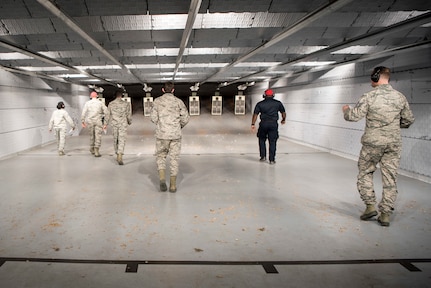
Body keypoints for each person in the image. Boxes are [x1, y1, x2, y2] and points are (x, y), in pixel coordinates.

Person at [342, 66, 415, 227]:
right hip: (393, 143)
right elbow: (408, 119)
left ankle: (370, 206)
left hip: (372, 143)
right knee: (390, 177)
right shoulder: (400, 97)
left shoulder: (369, 96)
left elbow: (354, 117)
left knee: (365, 172)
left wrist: (346, 110)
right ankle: (386, 215)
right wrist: (394, 127)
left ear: (375, 77)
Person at [150, 81, 190, 192]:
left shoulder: (157, 101)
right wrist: (178, 126)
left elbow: (153, 118)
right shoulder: (178, 102)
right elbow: (186, 118)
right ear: (173, 90)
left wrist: (161, 124)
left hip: (161, 134)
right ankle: (173, 185)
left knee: (161, 157)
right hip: (175, 135)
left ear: (163, 90)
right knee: (174, 159)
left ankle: (162, 180)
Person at [251, 89, 286, 164]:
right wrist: (283, 119)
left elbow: (255, 114)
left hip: (263, 124)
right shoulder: (278, 103)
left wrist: (253, 124)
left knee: (262, 140)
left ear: (264, 95)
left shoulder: (260, 104)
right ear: (273, 95)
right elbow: (283, 112)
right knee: (272, 141)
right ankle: (272, 159)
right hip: (273, 124)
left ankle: (263, 156)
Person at [106, 89, 132, 165]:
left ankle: (117, 153)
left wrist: (105, 124)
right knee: (122, 140)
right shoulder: (126, 104)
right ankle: (120, 154)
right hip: (123, 124)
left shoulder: (111, 104)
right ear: (122, 95)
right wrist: (129, 121)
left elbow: (108, 115)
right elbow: (128, 114)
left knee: (115, 139)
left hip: (114, 124)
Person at [81, 91, 108, 157]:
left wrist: (82, 121)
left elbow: (83, 112)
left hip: (90, 121)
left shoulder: (87, 103)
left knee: (91, 135)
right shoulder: (100, 103)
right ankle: (96, 150)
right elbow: (106, 112)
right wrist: (105, 123)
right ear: (97, 96)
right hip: (98, 121)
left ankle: (91, 148)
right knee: (98, 135)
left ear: (90, 96)